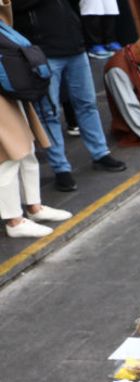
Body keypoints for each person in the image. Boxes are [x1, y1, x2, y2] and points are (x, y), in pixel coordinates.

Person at [11, 0, 128, 192]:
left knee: (87, 104)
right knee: (49, 113)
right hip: (44, 51)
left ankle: (100, 153)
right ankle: (61, 168)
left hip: (74, 45)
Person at [1, 0, 72, 239]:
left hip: (8, 86)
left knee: (27, 149)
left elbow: (6, 22)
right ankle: (14, 220)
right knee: (8, 157)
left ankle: (34, 206)